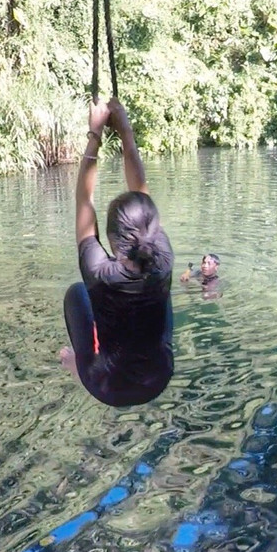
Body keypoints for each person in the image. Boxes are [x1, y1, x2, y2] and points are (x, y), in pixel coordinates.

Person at [59, 98, 175, 407]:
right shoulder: (163, 255)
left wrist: (95, 134)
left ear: (111, 239)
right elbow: (140, 195)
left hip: (107, 387)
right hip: (159, 377)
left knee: (77, 292)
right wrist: (125, 131)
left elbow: (85, 200)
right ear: (153, 225)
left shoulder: (100, 272)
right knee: (160, 293)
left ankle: (81, 364)